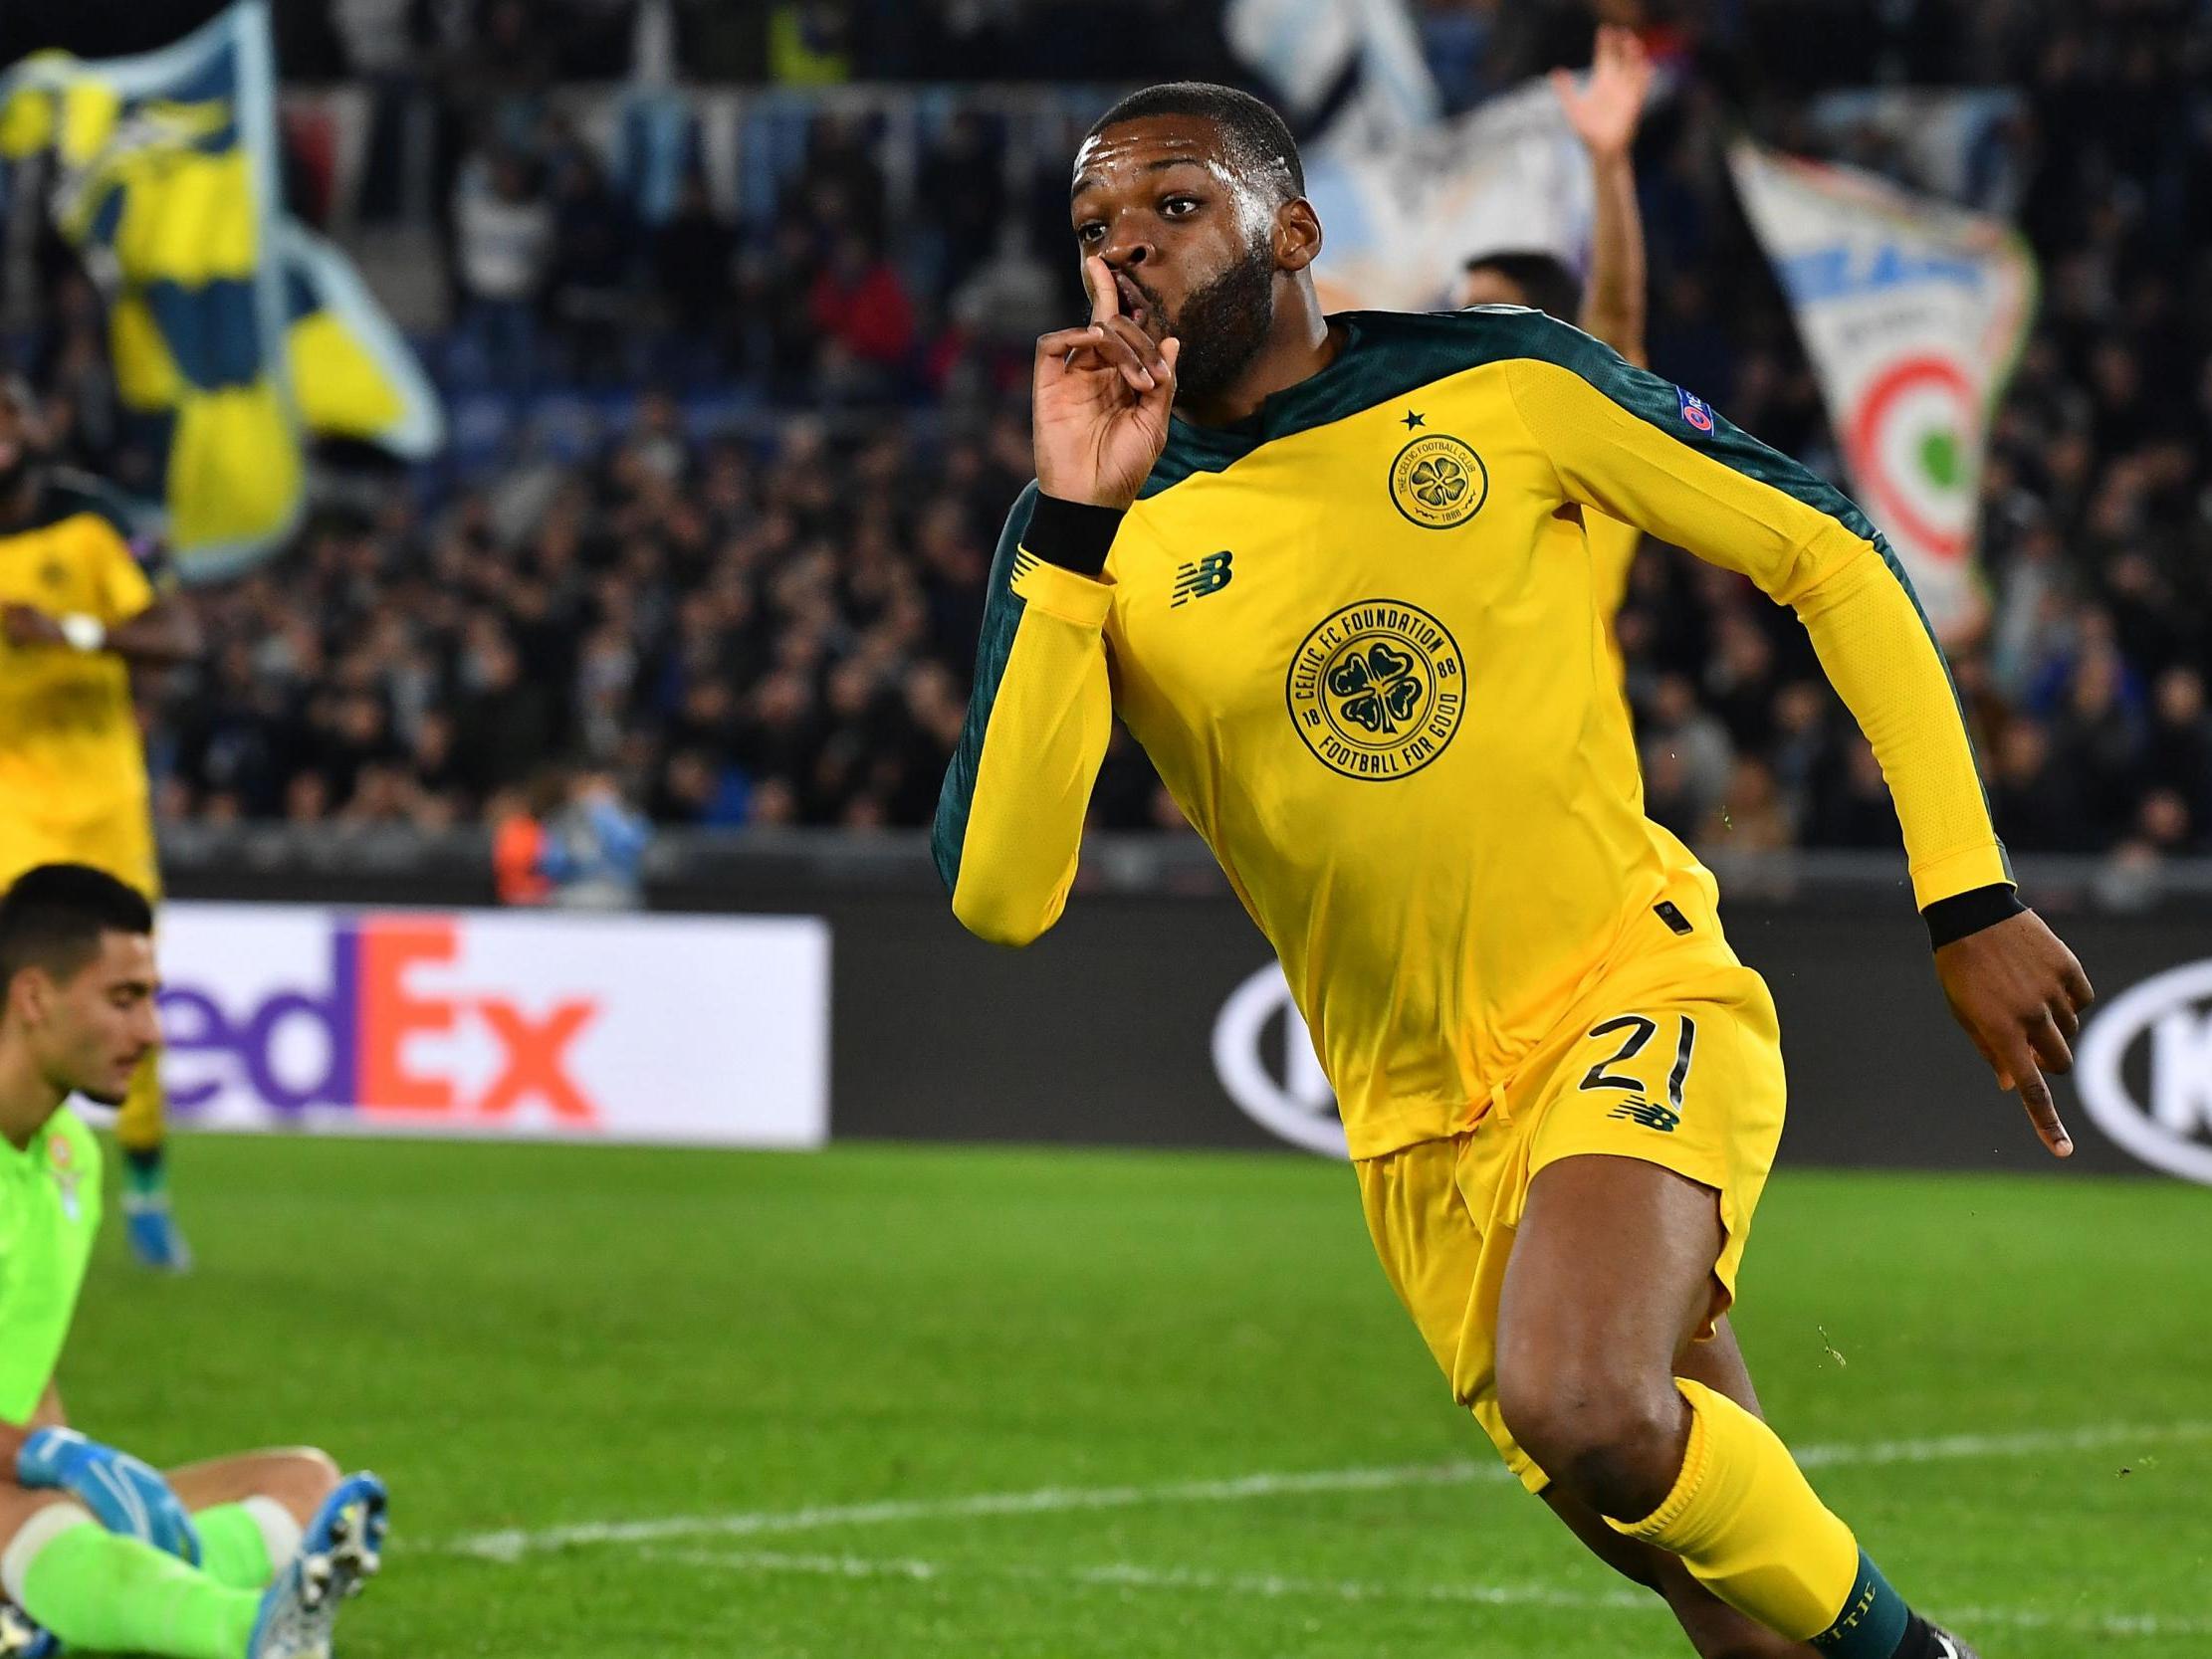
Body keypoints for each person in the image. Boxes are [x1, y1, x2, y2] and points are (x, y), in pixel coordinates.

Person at [934, 81, 2094, 1659]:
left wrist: (1964, 890)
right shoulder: (1083, 534)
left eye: (1171, 206)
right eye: (1092, 228)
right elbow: (1001, 890)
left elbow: (1824, 548)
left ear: (1291, 230)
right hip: (1411, 1126)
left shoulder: (1498, 386)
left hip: (1623, 989)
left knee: (1582, 1395)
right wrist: (1075, 521)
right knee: (1718, 1591)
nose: (1125, 250)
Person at [0, 865, 386, 1659]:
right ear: (34, 996)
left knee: (302, 1483)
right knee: (39, 1519)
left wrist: (75, 1468)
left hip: (15, 1483)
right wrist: (51, 1459)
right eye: (123, 998)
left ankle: (72, 1600)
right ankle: (240, 1628)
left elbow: (23, 1366)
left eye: (149, 997)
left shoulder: (71, 1157)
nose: (151, 1031)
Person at [0, 379, 200, 1271]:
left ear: (35, 425)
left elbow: (178, 633)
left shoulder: (92, 519)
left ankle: (147, 1190)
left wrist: (68, 632)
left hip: (103, 802)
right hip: (10, 804)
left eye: (7, 413)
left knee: (127, 991)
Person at [1458, 23, 1654, 670]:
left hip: (1574, 756)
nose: (1464, 327)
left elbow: (1618, 319)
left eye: (1487, 311)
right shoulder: (1436, 438)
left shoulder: (1583, 423)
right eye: (1462, 312)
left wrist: (1607, 162)